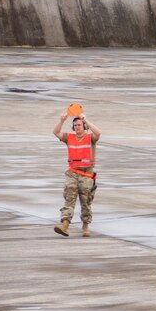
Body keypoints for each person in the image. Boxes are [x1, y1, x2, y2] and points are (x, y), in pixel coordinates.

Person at [53, 101, 101, 238]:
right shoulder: (70, 137)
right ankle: (65, 225)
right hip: (72, 173)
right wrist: (61, 121)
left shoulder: (89, 137)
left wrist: (86, 119)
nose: (77, 126)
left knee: (86, 201)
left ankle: (85, 225)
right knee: (69, 198)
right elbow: (56, 132)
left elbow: (98, 133)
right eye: (75, 125)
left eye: (79, 124)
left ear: (84, 126)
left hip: (86, 175)